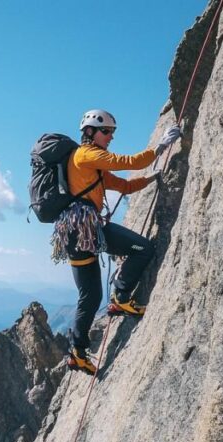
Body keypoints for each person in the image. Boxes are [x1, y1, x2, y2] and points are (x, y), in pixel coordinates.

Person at [52, 109, 181, 375]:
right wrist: (160, 147)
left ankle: (78, 354)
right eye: (106, 131)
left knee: (90, 296)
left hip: (78, 233)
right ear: (90, 132)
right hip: (85, 229)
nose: (110, 137)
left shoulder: (92, 166)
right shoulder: (86, 154)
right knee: (143, 249)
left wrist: (151, 178)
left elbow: (124, 186)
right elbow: (128, 161)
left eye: (112, 132)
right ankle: (121, 297)